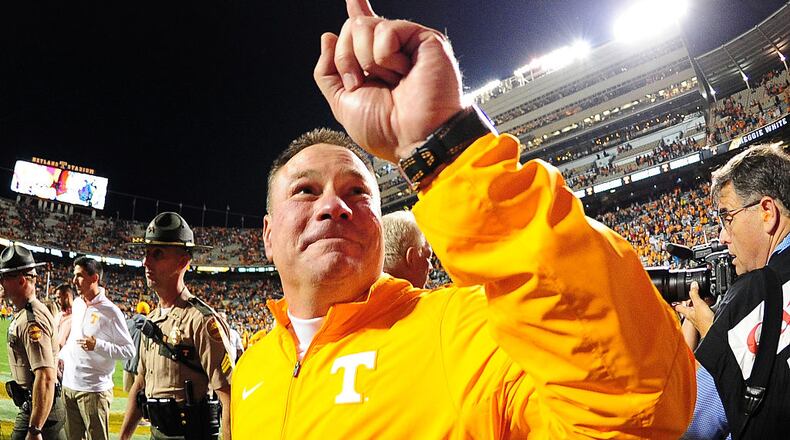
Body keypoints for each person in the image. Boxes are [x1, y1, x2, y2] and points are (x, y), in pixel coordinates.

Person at [231, 1, 695, 438]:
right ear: (267, 235)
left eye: (358, 192)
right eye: (306, 190)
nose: (335, 206)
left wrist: (443, 146)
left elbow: (631, 404)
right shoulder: (253, 368)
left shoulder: (461, 331)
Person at [676, 143, 790, 438]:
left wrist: (711, 333)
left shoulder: (750, 298)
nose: (723, 237)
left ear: (767, 212)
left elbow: (690, 428)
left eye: (728, 217)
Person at [119, 212, 234, 440]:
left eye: (157, 254)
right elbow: (140, 384)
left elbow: (229, 394)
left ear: (182, 262)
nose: (146, 262)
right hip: (156, 433)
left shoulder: (201, 321)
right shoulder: (152, 320)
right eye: (146, 253)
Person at [60, 256, 135, 440]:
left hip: (93, 390)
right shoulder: (78, 304)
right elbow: (74, 338)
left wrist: (98, 345)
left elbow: (129, 350)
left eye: (79, 276)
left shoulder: (111, 312)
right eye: (74, 275)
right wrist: (60, 357)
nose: (74, 280)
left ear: (94, 278)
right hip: (68, 385)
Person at [0, 245, 66, 440]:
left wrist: (35, 429)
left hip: (40, 410)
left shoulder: (32, 319)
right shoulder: (26, 312)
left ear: (21, 280)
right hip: (41, 406)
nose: (1, 283)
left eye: (4, 278)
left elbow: (45, 376)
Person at [381, 210, 432, 288]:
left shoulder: (364, 293)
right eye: (427, 257)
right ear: (411, 257)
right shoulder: (442, 295)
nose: (431, 268)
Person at [123, 301, 150, 393]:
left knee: (129, 395)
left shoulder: (127, 323)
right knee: (141, 395)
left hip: (128, 364)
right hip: (142, 367)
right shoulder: (151, 325)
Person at [52, 284, 74, 350]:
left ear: (67, 296)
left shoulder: (77, 317)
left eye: (59, 297)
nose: (56, 301)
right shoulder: (58, 316)